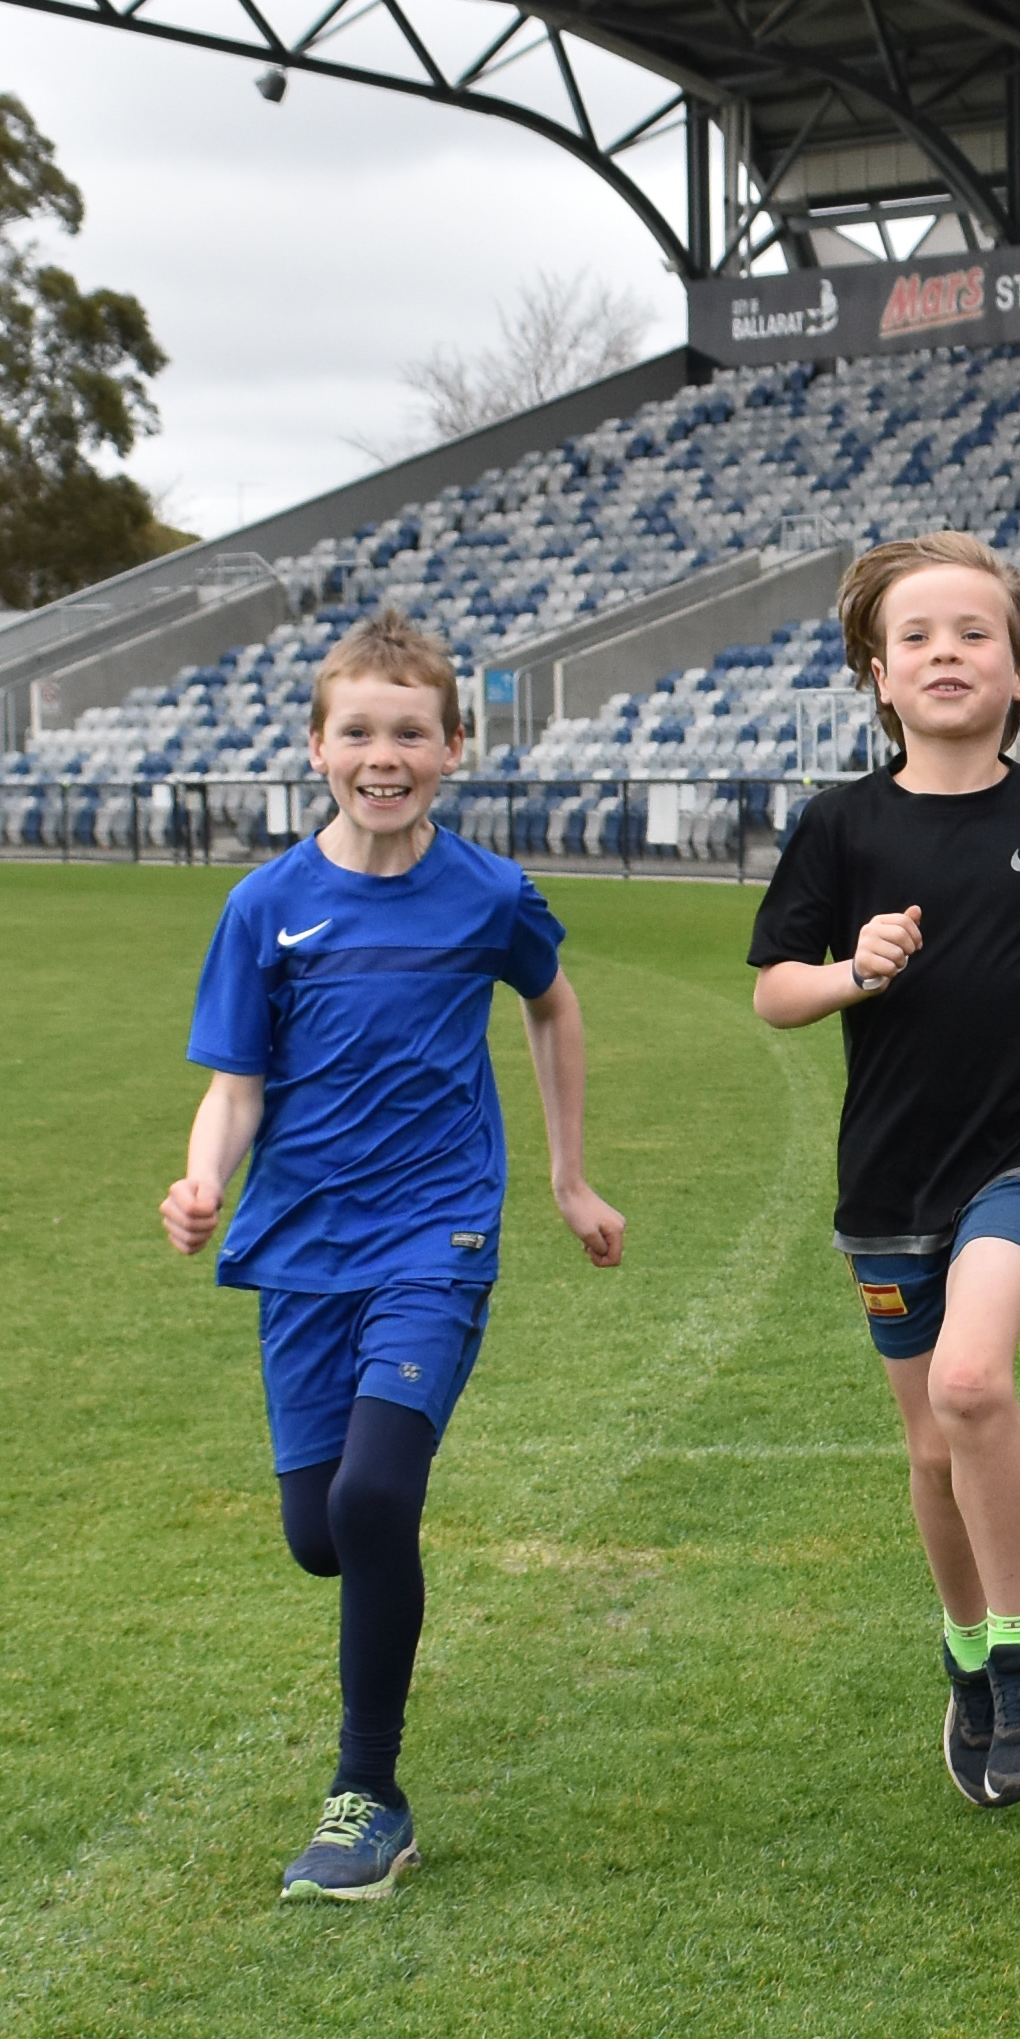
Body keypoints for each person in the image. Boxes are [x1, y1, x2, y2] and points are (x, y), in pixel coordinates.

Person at [160, 614, 628, 1901]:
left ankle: (369, 1790)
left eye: (409, 731)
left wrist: (567, 1176)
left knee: (372, 1501)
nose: (385, 753)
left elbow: (551, 1003)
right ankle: (372, 1673)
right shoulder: (266, 907)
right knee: (322, 1533)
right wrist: (205, 1177)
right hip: (304, 1245)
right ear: (317, 748)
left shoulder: (485, 893)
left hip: (439, 1232)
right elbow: (235, 1085)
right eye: (358, 730)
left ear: (452, 749)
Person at [749, 532, 1020, 1806]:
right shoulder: (839, 826)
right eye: (915, 637)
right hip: (886, 1176)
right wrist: (854, 970)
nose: (946, 654)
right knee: (930, 1449)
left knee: (975, 1382)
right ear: (877, 673)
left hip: (1019, 1154)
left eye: (974, 634)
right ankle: (970, 1650)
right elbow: (773, 992)